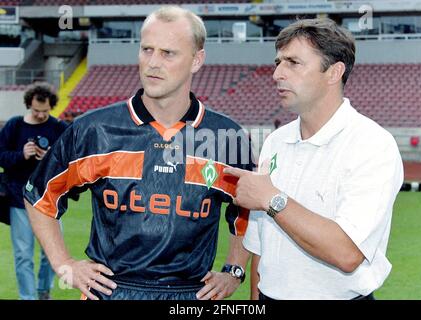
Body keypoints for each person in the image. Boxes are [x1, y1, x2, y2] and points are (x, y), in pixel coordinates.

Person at [23, 6, 253, 300]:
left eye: (168, 53)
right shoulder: (95, 129)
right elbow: (39, 197)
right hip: (111, 290)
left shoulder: (226, 137)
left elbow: (247, 212)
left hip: (191, 294)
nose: (153, 63)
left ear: (197, 60)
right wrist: (64, 265)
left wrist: (234, 271)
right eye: (147, 50)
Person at [224, 18, 404, 300]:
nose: (277, 74)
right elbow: (262, 250)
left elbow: (347, 253)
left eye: (293, 63)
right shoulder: (276, 142)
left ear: (334, 72)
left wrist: (272, 198)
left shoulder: (372, 144)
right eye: (278, 62)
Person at [0, 82, 68, 300]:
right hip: (19, 199)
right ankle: (27, 297)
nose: (40, 115)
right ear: (29, 104)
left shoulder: (59, 128)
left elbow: (72, 162)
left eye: (45, 111)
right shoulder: (14, 126)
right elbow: (2, 157)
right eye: (36, 110)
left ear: (52, 107)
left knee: (52, 254)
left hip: (50, 199)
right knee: (23, 256)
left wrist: (50, 158)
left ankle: (43, 291)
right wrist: (22, 155)